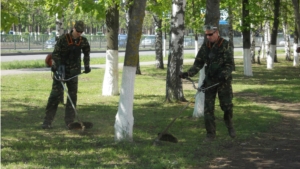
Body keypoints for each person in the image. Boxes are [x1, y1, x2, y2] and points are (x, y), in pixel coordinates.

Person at [179, 24, 235, 142]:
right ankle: (210, 134)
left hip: (223, 81)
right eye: (206, 35)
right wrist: (188, 73)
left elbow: (230, 65)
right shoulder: (205, 47)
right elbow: (198, 63)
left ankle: (229, 125)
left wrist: (223, 75)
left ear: (216, 33)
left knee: (227, 107)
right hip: (210, 81)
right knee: (208, 109)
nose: (208, 37)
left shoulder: (226, 45)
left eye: (210, 34)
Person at [42, 21, 91, 129]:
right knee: (55, 96)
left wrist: (87, 65)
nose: (79, 33)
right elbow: (55, 54)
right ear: (73, 28)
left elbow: (87, 52)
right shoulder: (64, 39)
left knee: (72, 97)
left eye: (81, 32)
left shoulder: (83, 41)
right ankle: (47, 121)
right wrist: (58, 66)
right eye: (77, 31)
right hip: (61, 71)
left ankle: (70, 122)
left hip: (73, 73)